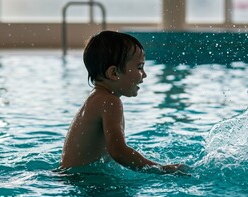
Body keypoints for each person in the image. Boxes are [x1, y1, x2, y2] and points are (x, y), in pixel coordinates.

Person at [60, 31, 188, 175]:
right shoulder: (110, 101)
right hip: (83, 182)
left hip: (73, 177)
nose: (144, 75)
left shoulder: (97, 98)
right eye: (139, 67)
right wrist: (161, 169)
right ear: (114, 73)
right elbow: (118, 151)